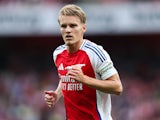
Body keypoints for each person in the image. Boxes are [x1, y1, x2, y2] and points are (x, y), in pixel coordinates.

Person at [44, 4, 123, 120]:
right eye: (64, 26)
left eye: (73, 26)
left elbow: (117, 87)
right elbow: (65, 77)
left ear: (83, 28)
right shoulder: (58, 53)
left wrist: (84, 79)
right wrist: (57, 93)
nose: (68, 30)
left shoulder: (95, 53)